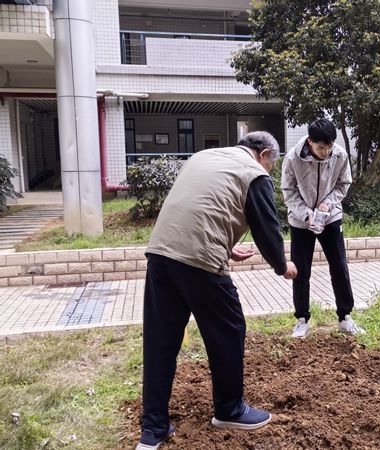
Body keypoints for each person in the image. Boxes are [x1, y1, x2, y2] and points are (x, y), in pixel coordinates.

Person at [136, 131, 297, 450]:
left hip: (161, 254)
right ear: (264, 154)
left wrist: (227, 246)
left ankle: (152, 428)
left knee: (160, 341)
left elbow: (199, 205)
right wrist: (282, 266)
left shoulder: (203, 157)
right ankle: (229, 409)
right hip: (200, 260)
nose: (270, 170)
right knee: (229, 328)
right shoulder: (254, 173)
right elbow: (266, 227)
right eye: (272, 164)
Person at [281, 118, 364, 339]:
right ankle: (302, 320)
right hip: (301, 221)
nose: (326, 152)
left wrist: (328, 203)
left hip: (330, 217)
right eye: (320, 148)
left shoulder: (339, 155)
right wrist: (306, 213)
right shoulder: (293, 158)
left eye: (329, 147)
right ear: (310, 142)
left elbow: (343, 184)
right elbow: (288, 191)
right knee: (301, 271)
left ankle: (345, 317)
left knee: (339, 266)